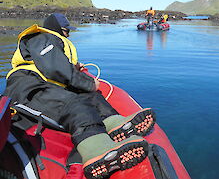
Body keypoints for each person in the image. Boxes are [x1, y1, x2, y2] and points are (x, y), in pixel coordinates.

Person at [4, 13, 156, 179]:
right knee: (72, 103)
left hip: (46, 86)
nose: (68, 34)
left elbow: (57, 66)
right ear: (57, 29)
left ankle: (114, 123)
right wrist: (88, 83)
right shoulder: (41, 37)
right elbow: (55, 68)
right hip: (27, 87)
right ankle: (97, 149)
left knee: (90, 97)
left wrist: (76, 69)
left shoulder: (52, 43)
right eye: (66, 31)